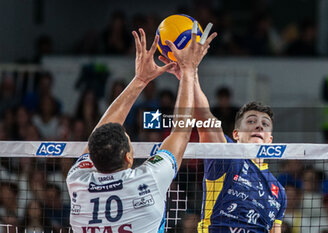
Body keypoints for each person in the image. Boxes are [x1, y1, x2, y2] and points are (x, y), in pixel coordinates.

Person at [66, 24, 217, 233]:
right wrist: (189, 71)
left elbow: (178, 133)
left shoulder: (77, 182)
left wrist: (140, 79)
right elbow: (181, 133)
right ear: (129, 157)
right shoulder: (148, 179)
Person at [160, 59, 286, 233]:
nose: (259, 126)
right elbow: (204, 116)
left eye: (265, 124)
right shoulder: (227, 157)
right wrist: (190, 74)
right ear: (236, 135)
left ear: (270, 140)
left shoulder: (279, 190)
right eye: (251, 121)